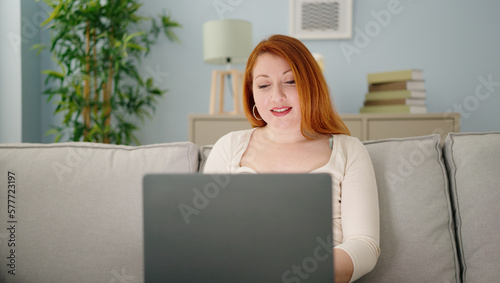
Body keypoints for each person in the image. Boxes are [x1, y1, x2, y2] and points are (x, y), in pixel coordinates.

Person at [203, 34, 380, 283]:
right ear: (251, 93)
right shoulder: (229, 147)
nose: (276, 96)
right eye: (263, 85)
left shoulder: (349, 150)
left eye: (290, 81)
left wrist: (300, 271)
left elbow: (364, 245)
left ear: (310, 85)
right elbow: (204, 238)